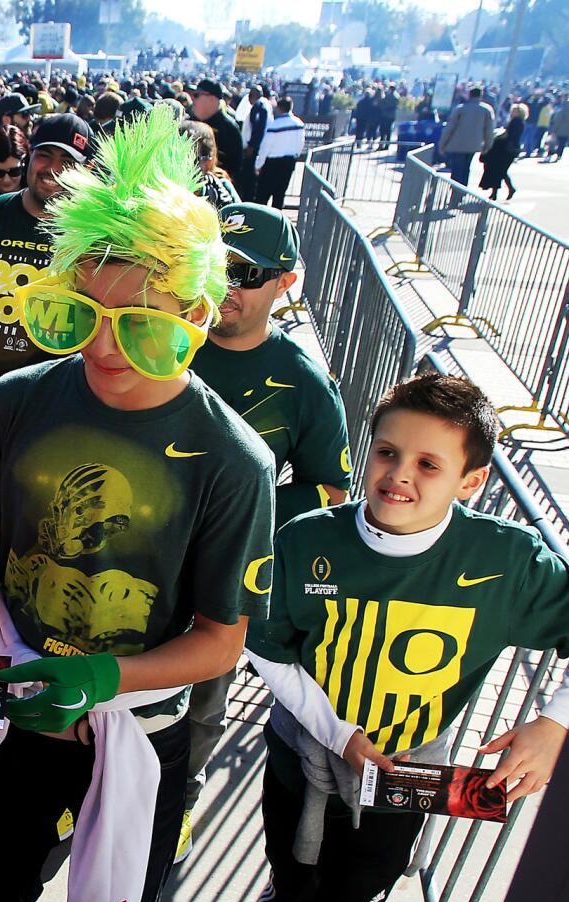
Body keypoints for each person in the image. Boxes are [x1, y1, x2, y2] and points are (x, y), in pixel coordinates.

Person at [0, 106, 274, 902]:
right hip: (12, 691)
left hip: (139, 725)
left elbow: (221, 641)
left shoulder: (236, 461)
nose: (106, 351)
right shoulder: (16, 401)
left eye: (143, 325)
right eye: (81, 317)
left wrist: (105, 675)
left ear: (198, 310)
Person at [247, 373, 569, 902]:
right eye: (388, 452)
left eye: (428, 464)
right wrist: (336, 733)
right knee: (292, 891)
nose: (399, 475)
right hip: (302, 758)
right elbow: (264, 644)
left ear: (470, 482)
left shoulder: (509, 560)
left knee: (360, 898)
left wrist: (554, 724)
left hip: (407, 776)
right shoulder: (304, 540)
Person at [181, 202, 351, 860]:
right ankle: (83, 787)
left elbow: (331, 487)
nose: (226, 285)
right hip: (137, 552)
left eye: (247, 272)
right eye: (216, 266)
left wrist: (250, 511)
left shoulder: (305, 381)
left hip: (224, 575)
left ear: (286, 282)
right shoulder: (165, 334)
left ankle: (180, 798)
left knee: (201, 700)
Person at [0, 113, 94, 381]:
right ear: (30, 156)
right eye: (45, 155)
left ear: (88, 169)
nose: (53, 169)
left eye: (68, 162)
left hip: (46, 395)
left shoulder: (92, 237)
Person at [254, 97, 306, 210]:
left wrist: (258, 165)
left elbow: (265, 147)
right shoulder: (299, 124)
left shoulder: (274, 125)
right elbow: (300, 143)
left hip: (271, 164)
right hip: (288, 162)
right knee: (279, 195)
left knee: (262, 196)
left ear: (279, 108)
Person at [189, 78, 243, 183]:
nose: (193, 99)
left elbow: (235, 167)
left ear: (212, 99)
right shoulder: (190, 122)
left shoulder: (230, 129)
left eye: (196, 95)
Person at [440, 86, 495, 187]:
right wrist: (488, 145)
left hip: (457, 144)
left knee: (457, 170)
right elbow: (489, 130)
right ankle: (462, 191)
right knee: (466, 168)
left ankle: (455, 192)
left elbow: (449, 128)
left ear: (469, 95)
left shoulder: (461, 109)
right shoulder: (486, 110)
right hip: (474, 144)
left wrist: (442, 145)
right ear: (480, 96)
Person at [179, 119, 240, 210]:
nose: (184, 166)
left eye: (193, 159)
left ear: (208, 161)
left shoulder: (221, 187)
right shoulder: (164, 190)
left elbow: (240, 218)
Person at [479, 102, 526, 201]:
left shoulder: (516, 122)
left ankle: (503, 191)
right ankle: (499, 191)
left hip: (506, 150)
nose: (512, 113)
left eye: (514, 111)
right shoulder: (517, 122)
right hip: (507, 150)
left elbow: (511, 136)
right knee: (500, 171)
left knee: (500, 171)